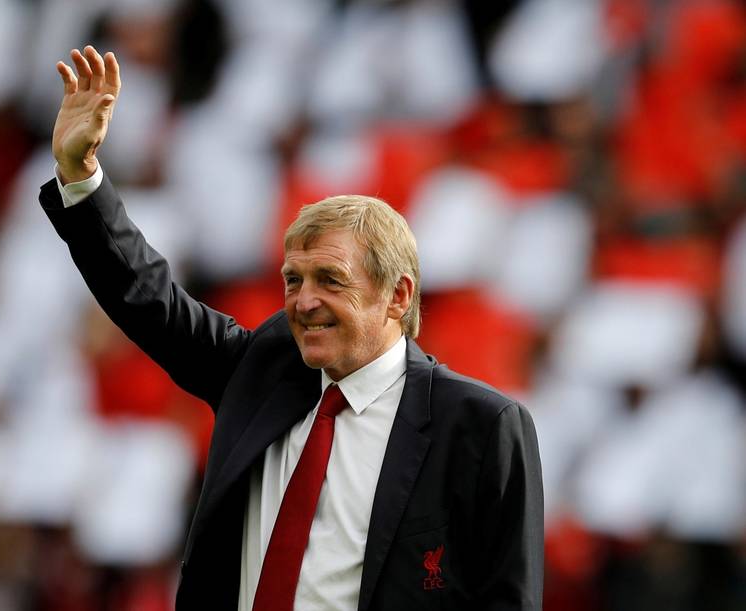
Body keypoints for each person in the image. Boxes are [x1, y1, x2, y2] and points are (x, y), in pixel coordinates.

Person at [39, 45, 543, 611]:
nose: (303, 301)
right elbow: (148, 299)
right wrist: (80, 177)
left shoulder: (478, 426)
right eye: (292, 279)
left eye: (329, 279)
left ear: (397, 295)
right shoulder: (263, 371)